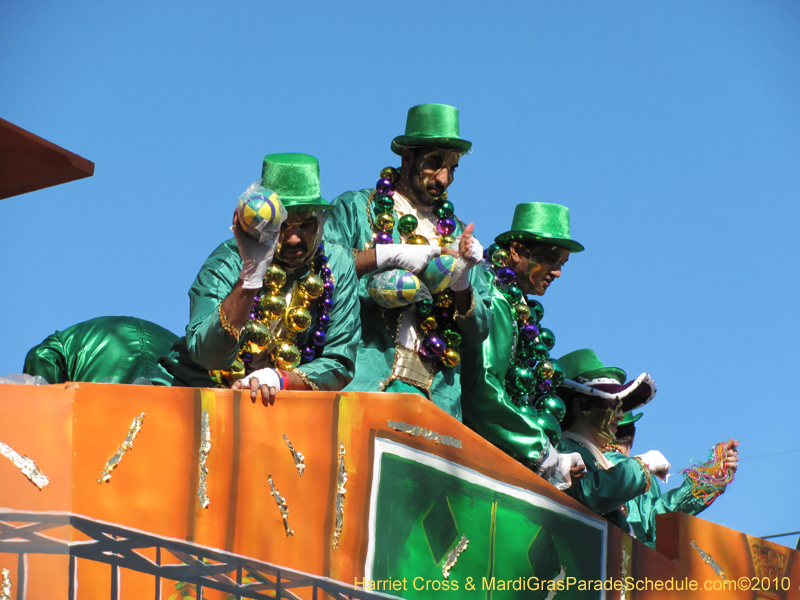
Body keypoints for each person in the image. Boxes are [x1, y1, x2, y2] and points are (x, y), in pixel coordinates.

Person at [150, 153, 360, 405]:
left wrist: (279, 378)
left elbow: (339, 361)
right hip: (185, 397)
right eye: (282, 226)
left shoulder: (338, 264)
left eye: (307, 224)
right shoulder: (228, 261)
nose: (294, 239)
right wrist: (250, 276)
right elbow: (208, 356)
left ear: (322, 221)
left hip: (272, 410)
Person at [325, 104, 490, 419]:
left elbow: (479, 329)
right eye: (434, 164)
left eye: (453, 168)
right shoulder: (356, 209)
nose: (444, 179)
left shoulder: (455, 232)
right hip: (366, 382)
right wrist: (382, 257)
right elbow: (320, 275)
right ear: (407, 159)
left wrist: (462, 279)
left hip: (437, 400)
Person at [461, 202, 587, 485]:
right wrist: (542, 452)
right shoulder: (495, 298)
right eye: (550, 259)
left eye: (562, 264)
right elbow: (481, 388)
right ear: (515, 251)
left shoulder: (518, 304)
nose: (557, 273)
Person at [556, 349, 664, 532]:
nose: (621, 416)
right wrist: (642, 466)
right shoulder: (564, 449)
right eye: (613, 406)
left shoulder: (594, 456)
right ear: (581, 406)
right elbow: (587, 493)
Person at [603, 412, 739, 548]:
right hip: (632, 561)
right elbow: (658, 521)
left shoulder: (588, 464)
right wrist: (712, 473)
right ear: (633, 435)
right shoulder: (641, 472)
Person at [22, 316, 178, 384]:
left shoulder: (66, 342)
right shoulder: (181, 347)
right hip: (168, 348)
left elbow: (41, 357)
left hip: (100, 352)